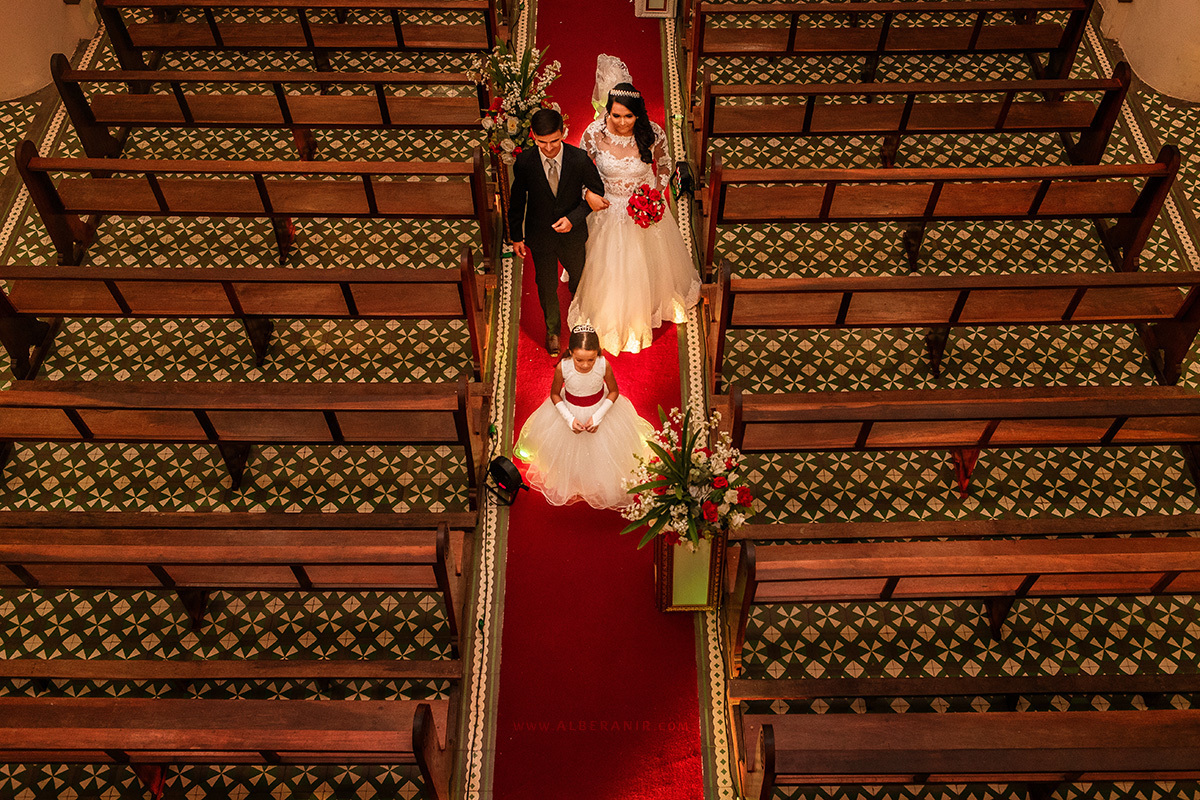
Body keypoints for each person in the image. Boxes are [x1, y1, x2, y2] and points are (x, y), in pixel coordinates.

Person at [566, 55, 701, 354]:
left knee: (648, 265)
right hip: (606, 208)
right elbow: (578, 170)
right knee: (606, 270)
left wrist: (655, 193)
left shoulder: (652, 133)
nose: (622, 122)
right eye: (616, 116)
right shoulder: (593, 134)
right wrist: (589, 193)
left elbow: (665, 165)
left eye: (629, 116)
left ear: (638, 115)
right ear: (607, 112)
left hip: (644, 209)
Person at [515, 324, 653, 509]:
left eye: (591, 359)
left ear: (598, 353)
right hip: (570, 410)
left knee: (605, 453)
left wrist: (599, 416)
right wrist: (569, 419)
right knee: (568, 455)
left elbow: (613, 392)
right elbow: (555, 394)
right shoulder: (563, 368)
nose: (586, 365)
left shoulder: (604, 365)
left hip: (600, 409)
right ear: (570, 352)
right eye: (579, 360)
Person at [508, 108, 607, 355]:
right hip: (540, 235)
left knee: (579, 275)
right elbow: (517, 200)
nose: (550, 148)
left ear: (563, 133)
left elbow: (597, 192)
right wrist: (516, 236)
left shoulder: (579, 159)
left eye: (554, 140)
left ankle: (579, 316)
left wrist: (573, 219)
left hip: (572, 235)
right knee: (545, 283)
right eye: (542, 142)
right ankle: (552, 330)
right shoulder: (525, 162)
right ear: (533, 136)